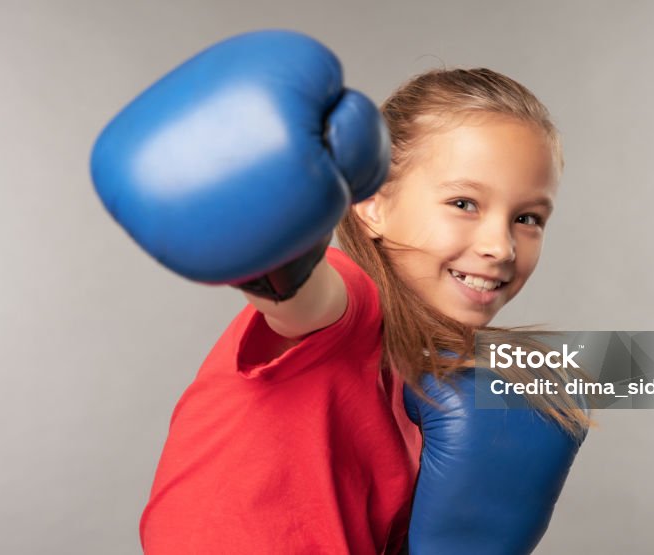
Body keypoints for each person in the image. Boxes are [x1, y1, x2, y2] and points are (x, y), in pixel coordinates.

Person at [91, 29, 592, 555]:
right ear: (372, 202)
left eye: (528, 218)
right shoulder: (351, 301)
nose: (501, 246)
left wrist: (579, 373)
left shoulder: (439, 361)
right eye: (464, 203)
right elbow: (300, 301)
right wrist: (277, 264)